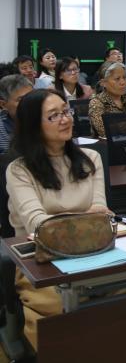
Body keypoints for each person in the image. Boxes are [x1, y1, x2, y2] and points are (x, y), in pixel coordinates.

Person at [6, 89, 110, 348]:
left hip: (93, 252)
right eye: (54, 116)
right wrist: (85, 218)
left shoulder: (91, 158)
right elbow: (38, 225)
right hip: (40, 260)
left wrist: (65, 220)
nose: (65, 119)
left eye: (66, 111)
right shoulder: (19, 170)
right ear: (33, 125)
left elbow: (101, 212)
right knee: (59, 310)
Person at [88, 62, 126, 137]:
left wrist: (117, 126)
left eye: (124, 77)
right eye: (117, 79)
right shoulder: (96, 102)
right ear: (103, 83)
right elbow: (105, 131)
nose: (123, 82)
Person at [0, 75, 33, 154]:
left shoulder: (47, 120)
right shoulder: (2, 133)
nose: (31, 103)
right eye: (21, 99)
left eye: (32, 96)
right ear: (3, 104)